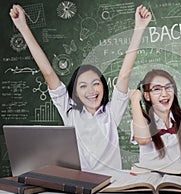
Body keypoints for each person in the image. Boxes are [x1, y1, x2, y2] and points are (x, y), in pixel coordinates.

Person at [9, 4, 152, 172]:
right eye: (83, 86)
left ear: (104, 88)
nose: (91, 91)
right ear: (75, 92)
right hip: (79, 187)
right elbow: (48, 72)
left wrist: (139, 28)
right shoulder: (69, 110)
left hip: (110, 187)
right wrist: (23, 27)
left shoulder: (111, 112)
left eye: (96, 84)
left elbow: (124, 75)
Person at [129, 48, 181, 167]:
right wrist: (134, 101)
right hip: (153, 183)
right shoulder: (142, 121)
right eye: (157, 89)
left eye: (168, 87)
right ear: (147, 96)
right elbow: (143, 139)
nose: (164, 94)